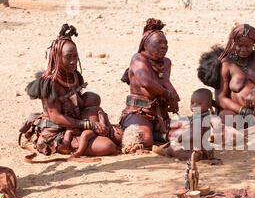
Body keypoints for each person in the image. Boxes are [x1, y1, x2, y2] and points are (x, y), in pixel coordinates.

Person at [25, 24, 117, 157]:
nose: (74, 62)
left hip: (75, 125)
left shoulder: (73, 75)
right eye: (68, 57)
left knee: (116, 135)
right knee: (108, 146)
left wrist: (95, 115)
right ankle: (70, 143)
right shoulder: (50, 83)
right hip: (56, 132)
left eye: (75, 57)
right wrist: (87, 124)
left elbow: (77, 105)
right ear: (57, 57)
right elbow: (56, 117)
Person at [120, 18, 180, 150]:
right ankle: (156, 136)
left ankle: (159, 135)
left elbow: (165, 81)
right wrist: (168, 94)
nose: (163, 46)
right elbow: (146, 82)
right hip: (139, 112)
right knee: (143, 139)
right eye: (158, 43)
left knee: (184, 134)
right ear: (146, 45)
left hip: (160, 115)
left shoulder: (166, 63)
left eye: (165, 43)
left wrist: (174, 99)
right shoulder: (138, 59)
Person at [152, 88, 217, 161]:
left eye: (199, 103)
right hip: (203, 150)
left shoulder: (200, 119)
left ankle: (168, 151)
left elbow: (194, 135)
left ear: (208, 104)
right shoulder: (206, 116)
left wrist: (181, 138)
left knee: (174, 149)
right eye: (192, 103)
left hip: (197, 151)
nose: (194, 106)